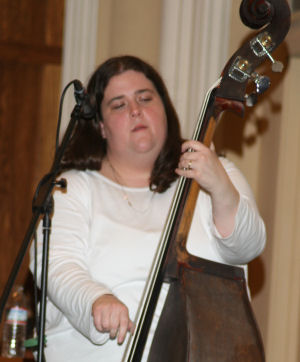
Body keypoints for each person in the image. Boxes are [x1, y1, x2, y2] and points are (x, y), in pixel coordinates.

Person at [30, 55, 266, 362]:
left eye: (145, 98)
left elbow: (247, 248)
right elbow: (55, 264)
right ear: (100, 126)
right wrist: (96, 298)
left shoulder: (215, 172)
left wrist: (219, 185)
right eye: (119, 104)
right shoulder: (71, 188)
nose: (136, 111)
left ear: (164, 110)